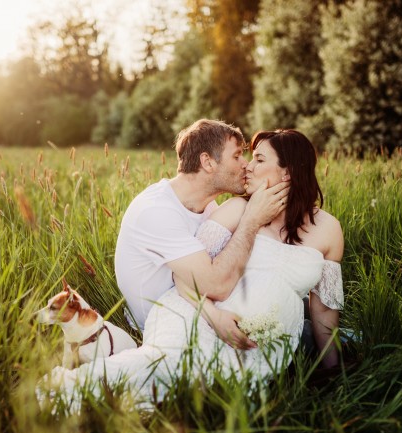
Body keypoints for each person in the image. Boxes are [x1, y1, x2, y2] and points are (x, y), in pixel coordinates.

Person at [37, 129, 344, 411]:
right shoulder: (236, 210)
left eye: (258, 159)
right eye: (243, 156)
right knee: (172, 368)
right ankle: (71, 391)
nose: (248, 166)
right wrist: (215, 318)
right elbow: (184, 277)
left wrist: (335, 374)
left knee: (212, 392)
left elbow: (324, 311)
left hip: (262, 342)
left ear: (288, 171)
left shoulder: (328, 229)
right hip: (200, 315)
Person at [114, 119, 289, 348]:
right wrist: (252, 220)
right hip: (167, 326)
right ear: (207, 162)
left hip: (198, 309)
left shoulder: (208, 208)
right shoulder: (156, 211)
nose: (245, 165)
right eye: (236, 156)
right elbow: (216, 286)